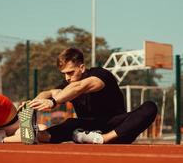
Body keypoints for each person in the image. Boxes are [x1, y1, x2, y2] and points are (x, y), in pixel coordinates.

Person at [20, 47, 157, 144]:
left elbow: (80, 87)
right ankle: (13, 136)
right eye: (64, 74)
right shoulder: (68, 84)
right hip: (86, 130)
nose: (67, 78)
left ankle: (103, 139)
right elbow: (50, 92)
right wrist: (33, 103)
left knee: (150, 107)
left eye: (70, 72)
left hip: (116, 127)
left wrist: (53, 102)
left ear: (82, 67)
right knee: (63, 127)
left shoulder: (100, 74)